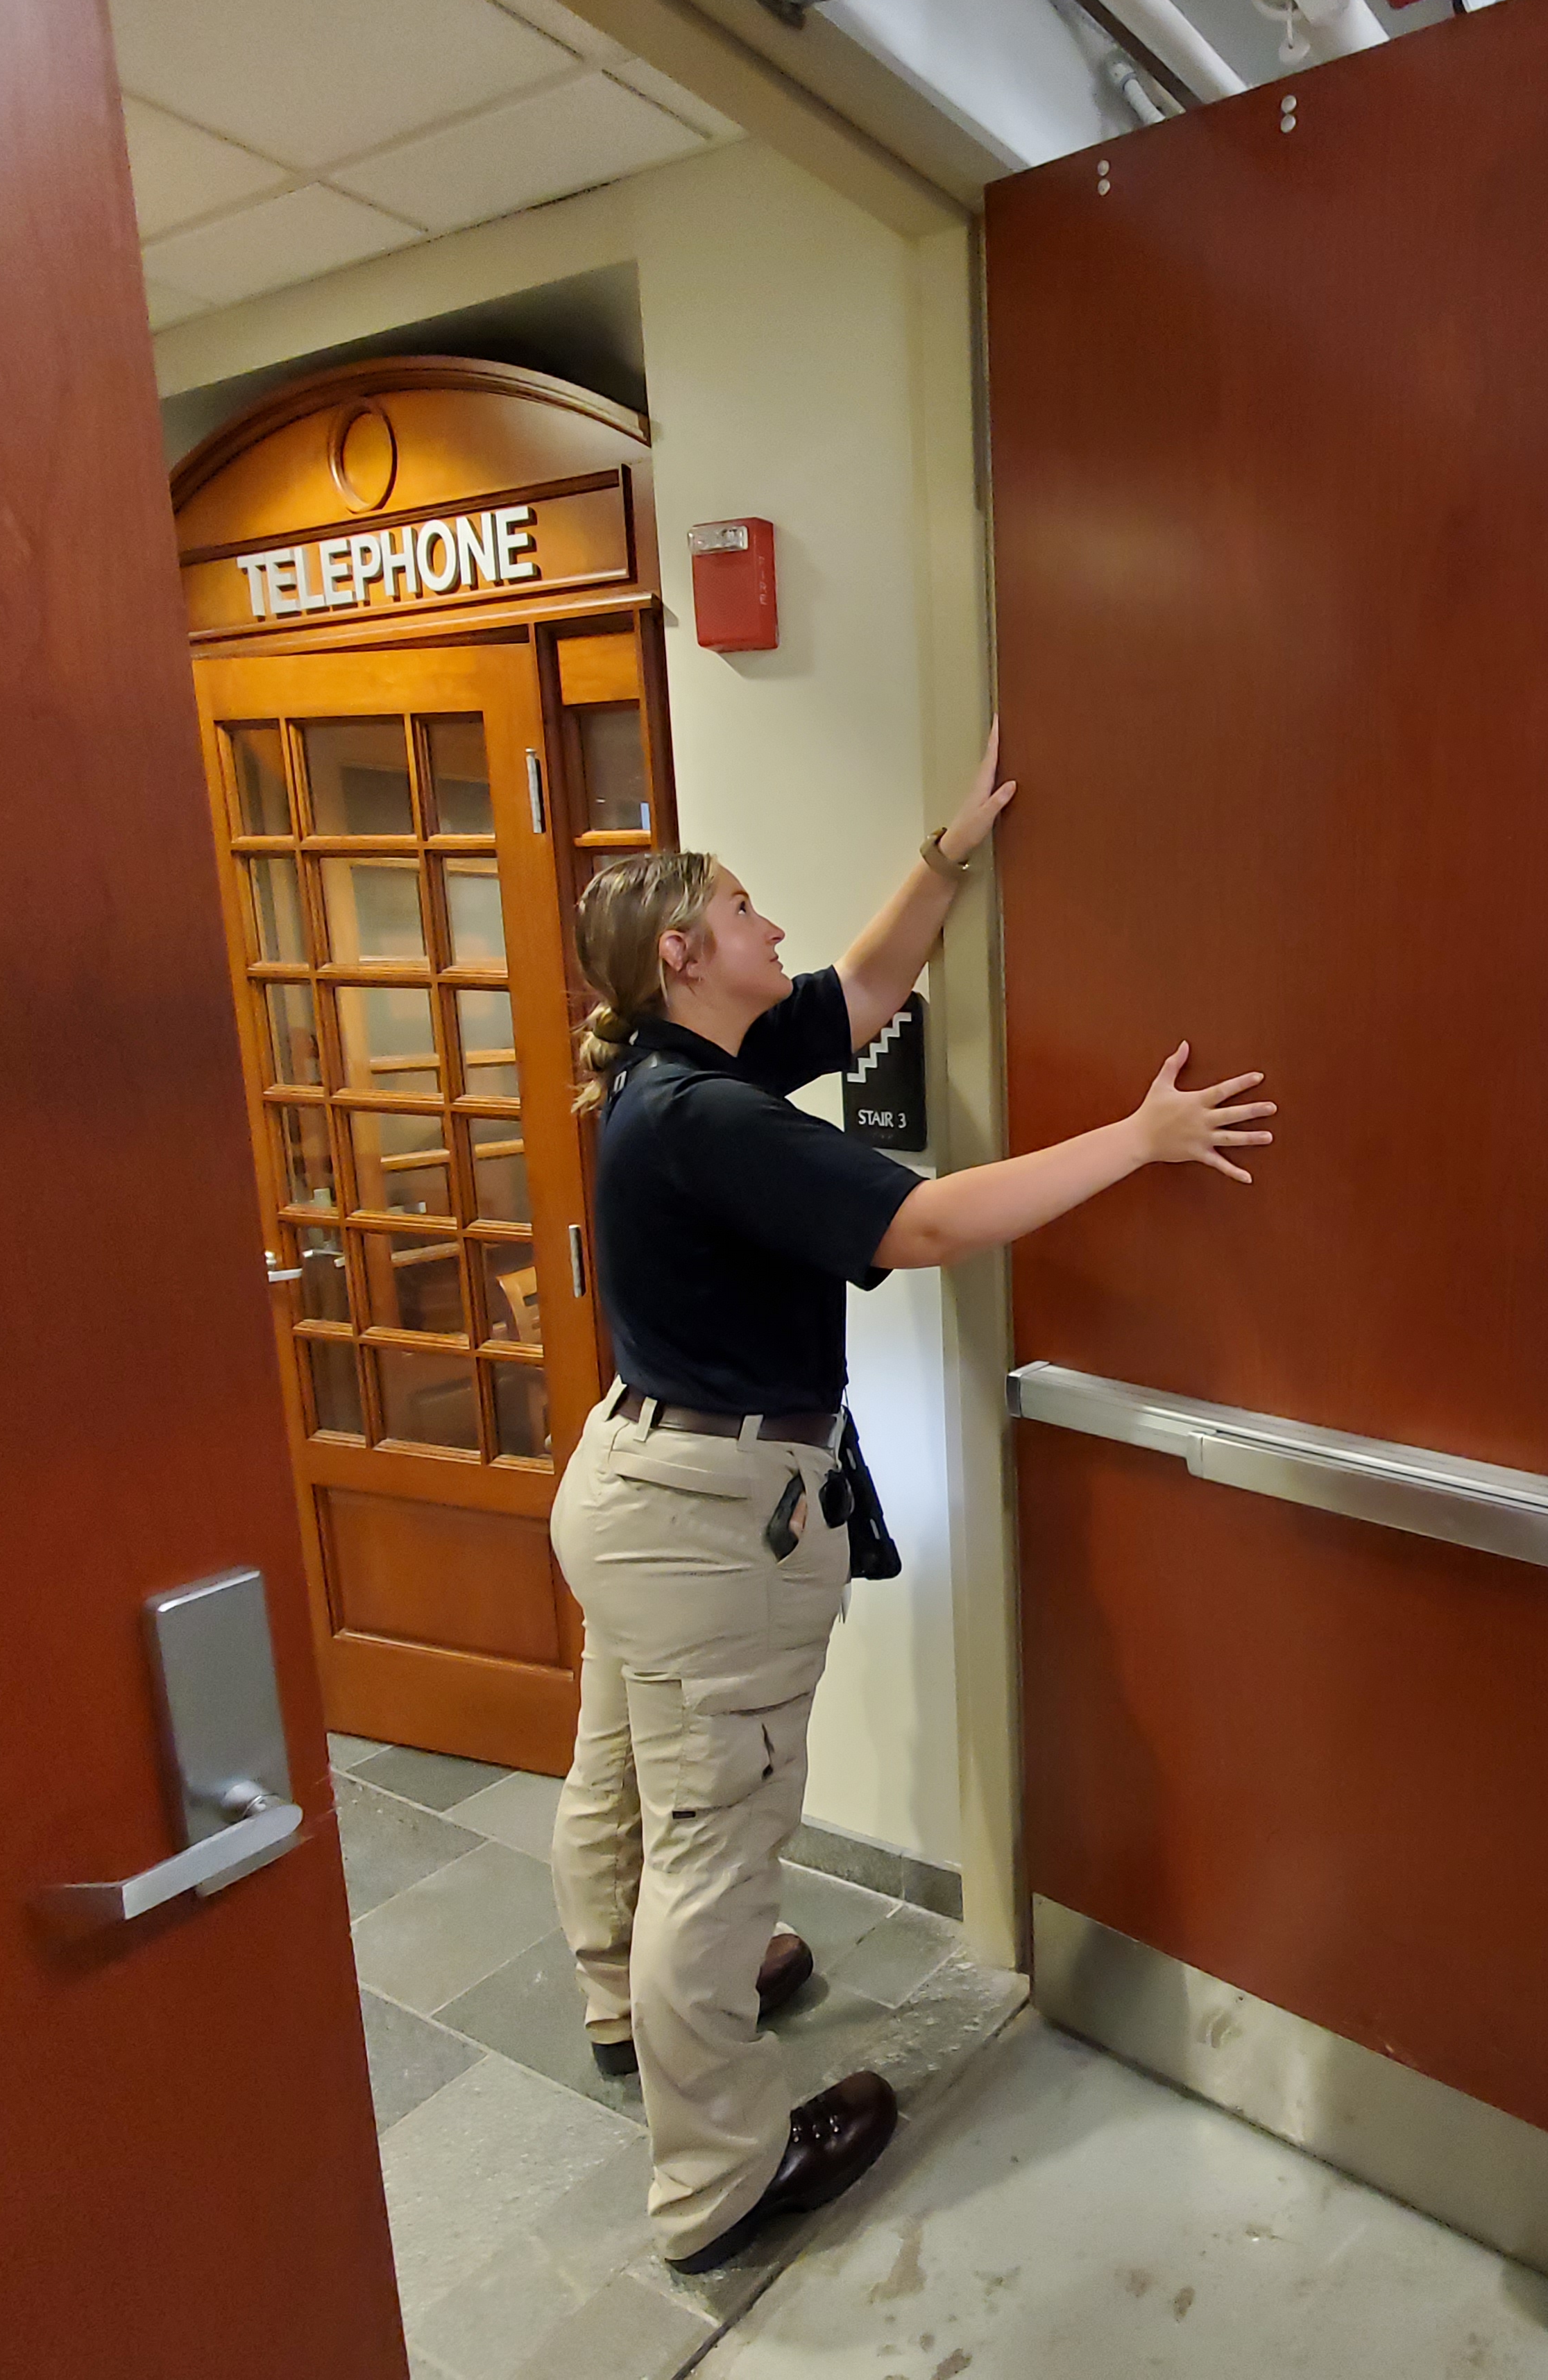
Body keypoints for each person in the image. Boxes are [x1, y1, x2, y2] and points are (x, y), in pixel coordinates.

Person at [547, 728, 1277, 2274]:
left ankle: (626, 2003)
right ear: (683, 956)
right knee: (714, 1843)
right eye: (744, 910)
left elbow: (867, 989)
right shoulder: (711, 1118)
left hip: (634, 1484)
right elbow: (931, 1225)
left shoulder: (681, 1071)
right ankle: (721, 2178)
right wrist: (1140, 1139)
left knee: (628, 1775)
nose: (773, 926)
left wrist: (946, 856)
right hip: (708, 1520)